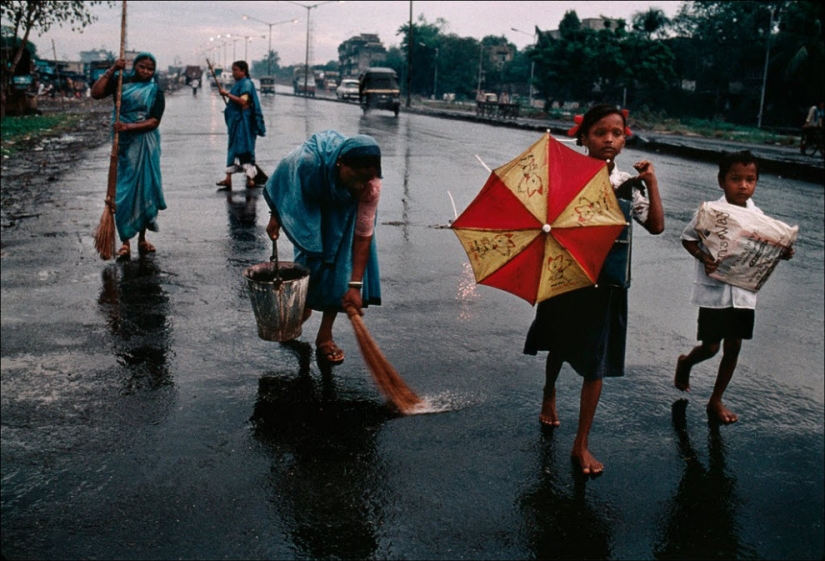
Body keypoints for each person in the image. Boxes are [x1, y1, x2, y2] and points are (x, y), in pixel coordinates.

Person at [523, 104, 665, 476]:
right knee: (557, 340)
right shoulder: (566, 175)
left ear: (624, 140)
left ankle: (581, 442)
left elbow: (656, 227)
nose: (609, 139)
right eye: (600, 132)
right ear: (583, 137)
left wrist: (650, 183)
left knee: (596, 363)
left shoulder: (626, 185)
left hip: (607, 284)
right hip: (567, 277)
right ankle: (549, 392)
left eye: (617, 134)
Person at [675, 150, 794, 424]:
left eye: (750, 180)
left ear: (756, 182)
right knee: (712, 347)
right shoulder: (710, 212)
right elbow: (687, 238)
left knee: (734, 346)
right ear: (721, 180)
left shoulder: (759, 216)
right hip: (715, 293)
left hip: (743, 293)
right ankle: (686, 363)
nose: (743, 185)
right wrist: (703, 257)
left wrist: (782, 252)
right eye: (735, 179)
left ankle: (716, 400)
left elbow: (765, 247)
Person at [263, 130, 382, 364]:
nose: (360, 185)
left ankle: (324, 336)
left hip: (346, 210)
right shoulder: (309, 164)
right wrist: (276, 215)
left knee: (341, 268)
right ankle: (304, 306)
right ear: (340, 163)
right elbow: (286, 177)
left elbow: (362, 236)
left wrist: (355, 286)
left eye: (366, 179)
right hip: (313, 197)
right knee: (311, 262)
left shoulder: (369, 187)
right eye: (355, 177)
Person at [91, 52, 166, 258]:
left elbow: (154, 121)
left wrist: (128, 126)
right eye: (142, 67)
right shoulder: (120, 81)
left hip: (145, 143)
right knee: (123, 192)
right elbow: (96, 93)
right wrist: (113, 69)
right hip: (123, 145)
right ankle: (125, 242)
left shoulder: (155, 91)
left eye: (150, 69)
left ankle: (142, 239)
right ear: (135, 66)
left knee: (145, 190)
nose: (146, 72)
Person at [216, 61, 265, 191]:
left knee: (246, 149)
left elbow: (243, 101)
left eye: (235, 70)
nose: (233, 73)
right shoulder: (239, 84)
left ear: (243, 71)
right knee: (233, 149)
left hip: (244, 124)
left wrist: (227, 94)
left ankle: (251, 179)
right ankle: (228, 179)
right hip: (237, 123)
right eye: (232, 70)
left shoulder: (246, 84)